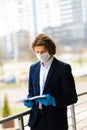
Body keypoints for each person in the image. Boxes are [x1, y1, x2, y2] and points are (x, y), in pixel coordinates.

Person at [24, 33, 78, 130]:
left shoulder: (63, 68)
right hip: (36, 122)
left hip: (55, 122)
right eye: (37, 52)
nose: (40, 55)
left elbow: (72, 97)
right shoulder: (33, 68)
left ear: (50, 49)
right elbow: (31, 92)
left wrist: (54, 100)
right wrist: (29, 100)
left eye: (42, 51)